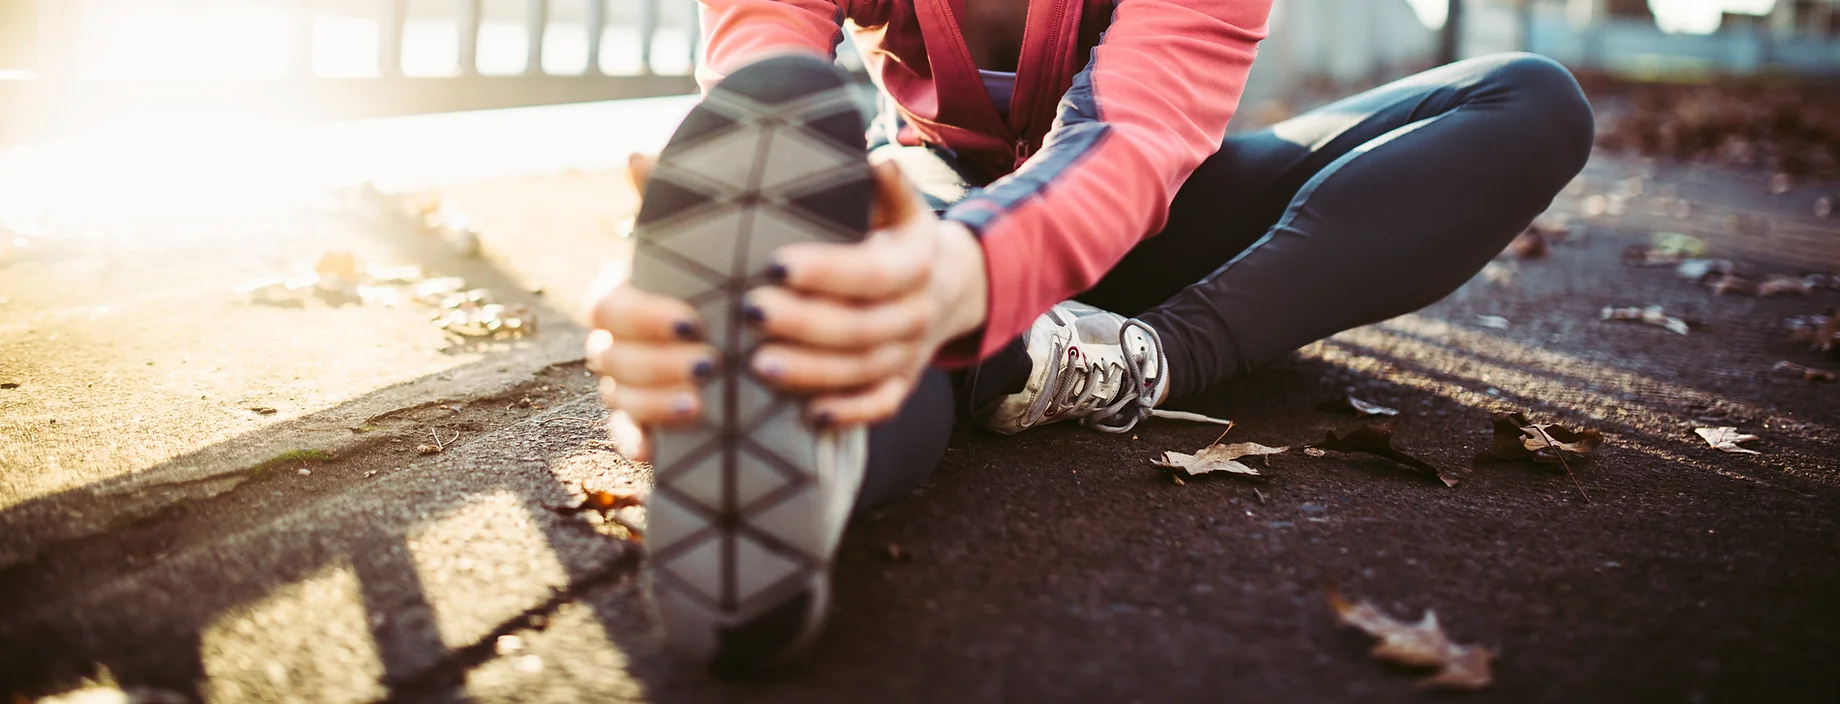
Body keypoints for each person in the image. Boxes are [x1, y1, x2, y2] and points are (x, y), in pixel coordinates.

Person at [584, 0, 1594, 675]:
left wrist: (978, 273)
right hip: (928, 206)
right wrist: (727, 272)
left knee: (1527, 101)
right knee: (853, 279)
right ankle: (789, 436)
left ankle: (1125, 359)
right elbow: (761, 86)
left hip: (1157, 222)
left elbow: (1139, 136)